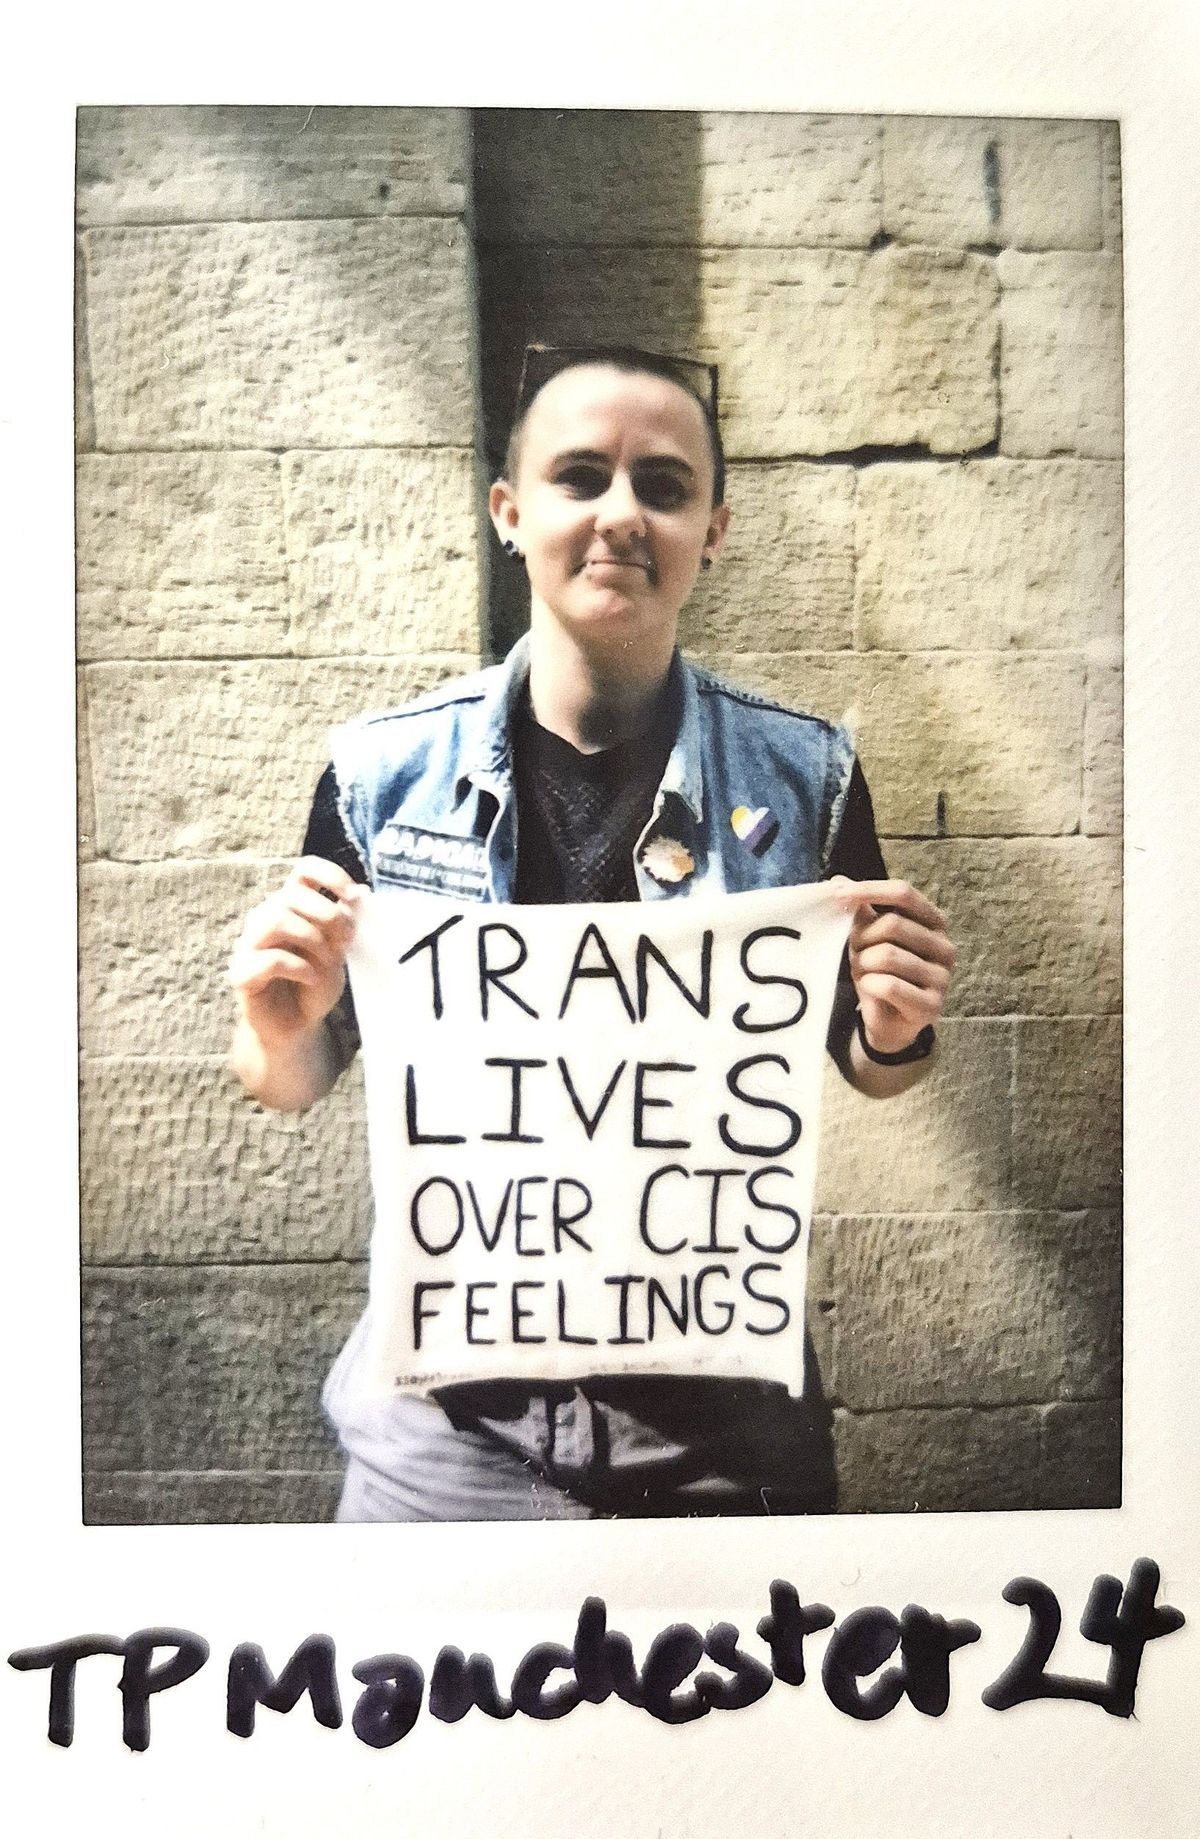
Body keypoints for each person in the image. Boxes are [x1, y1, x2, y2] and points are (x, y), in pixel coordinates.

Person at [229, 344, 956, 1521]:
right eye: (580, 477)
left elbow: (866, 1061)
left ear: (713, 530)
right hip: (447, 1444)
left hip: (720, 1443)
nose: (621, 513)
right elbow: (293, 1077)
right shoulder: (382, 777)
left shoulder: (807, 777)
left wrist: (896, 1027)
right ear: (512, 514)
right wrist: (276, 1019)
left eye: (664, 486)